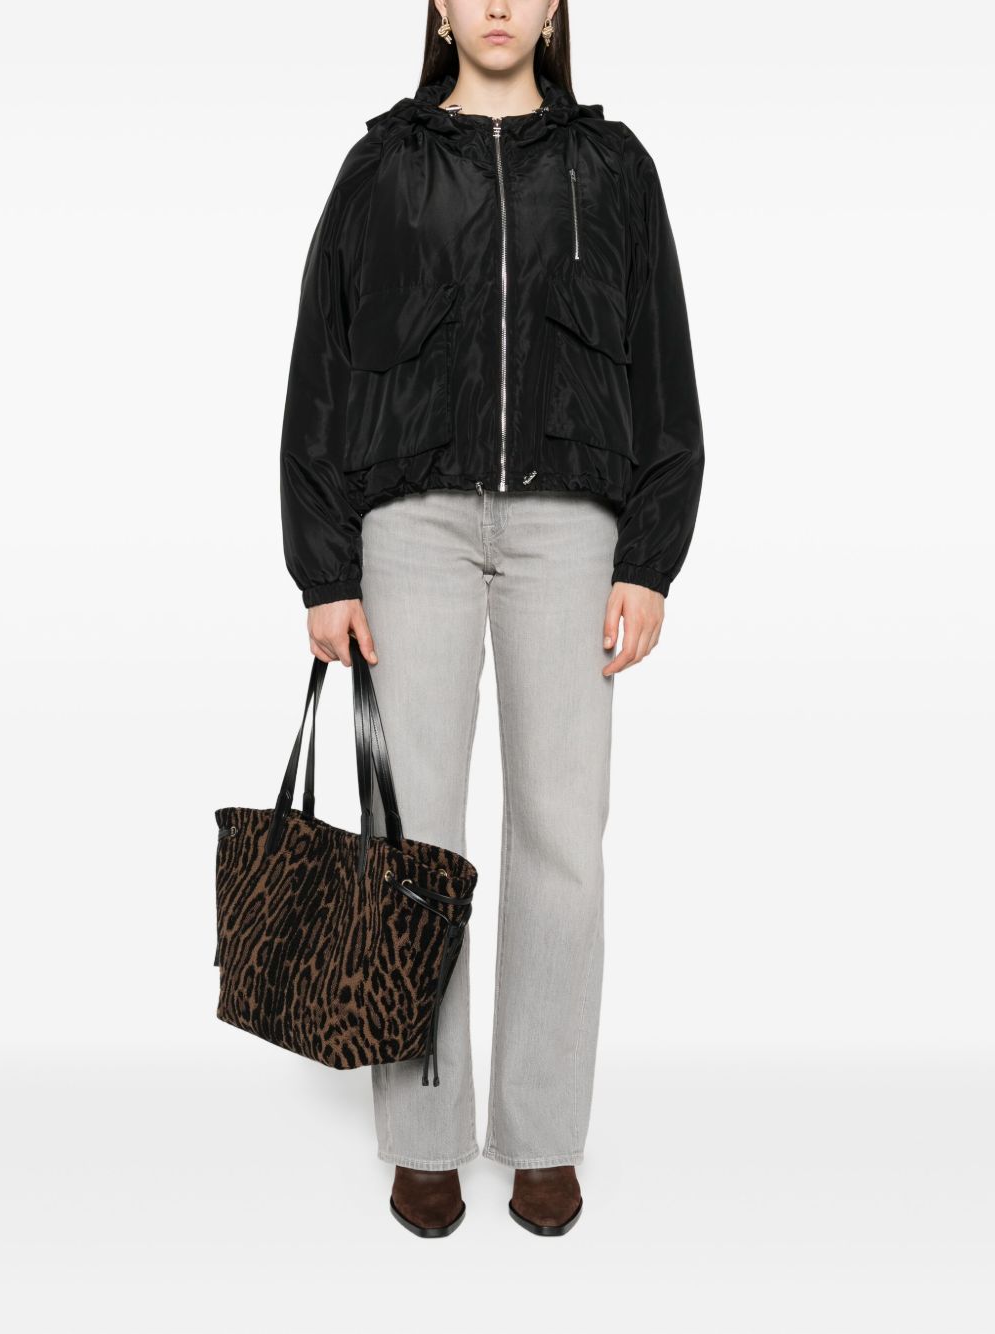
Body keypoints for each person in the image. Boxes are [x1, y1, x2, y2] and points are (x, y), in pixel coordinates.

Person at [278, 0, 704, 1238]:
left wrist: (650, 557)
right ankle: (423, 1135)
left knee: (562, 835)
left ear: (558, 5)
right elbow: (320, 366)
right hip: (409, 525)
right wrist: (324, 569)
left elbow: (661, 362)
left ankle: (542, 1134)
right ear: (440, 7)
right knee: (415, 837)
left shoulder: (612, 168)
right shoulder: (381, 167)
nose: (500, 3)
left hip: (571, 528)